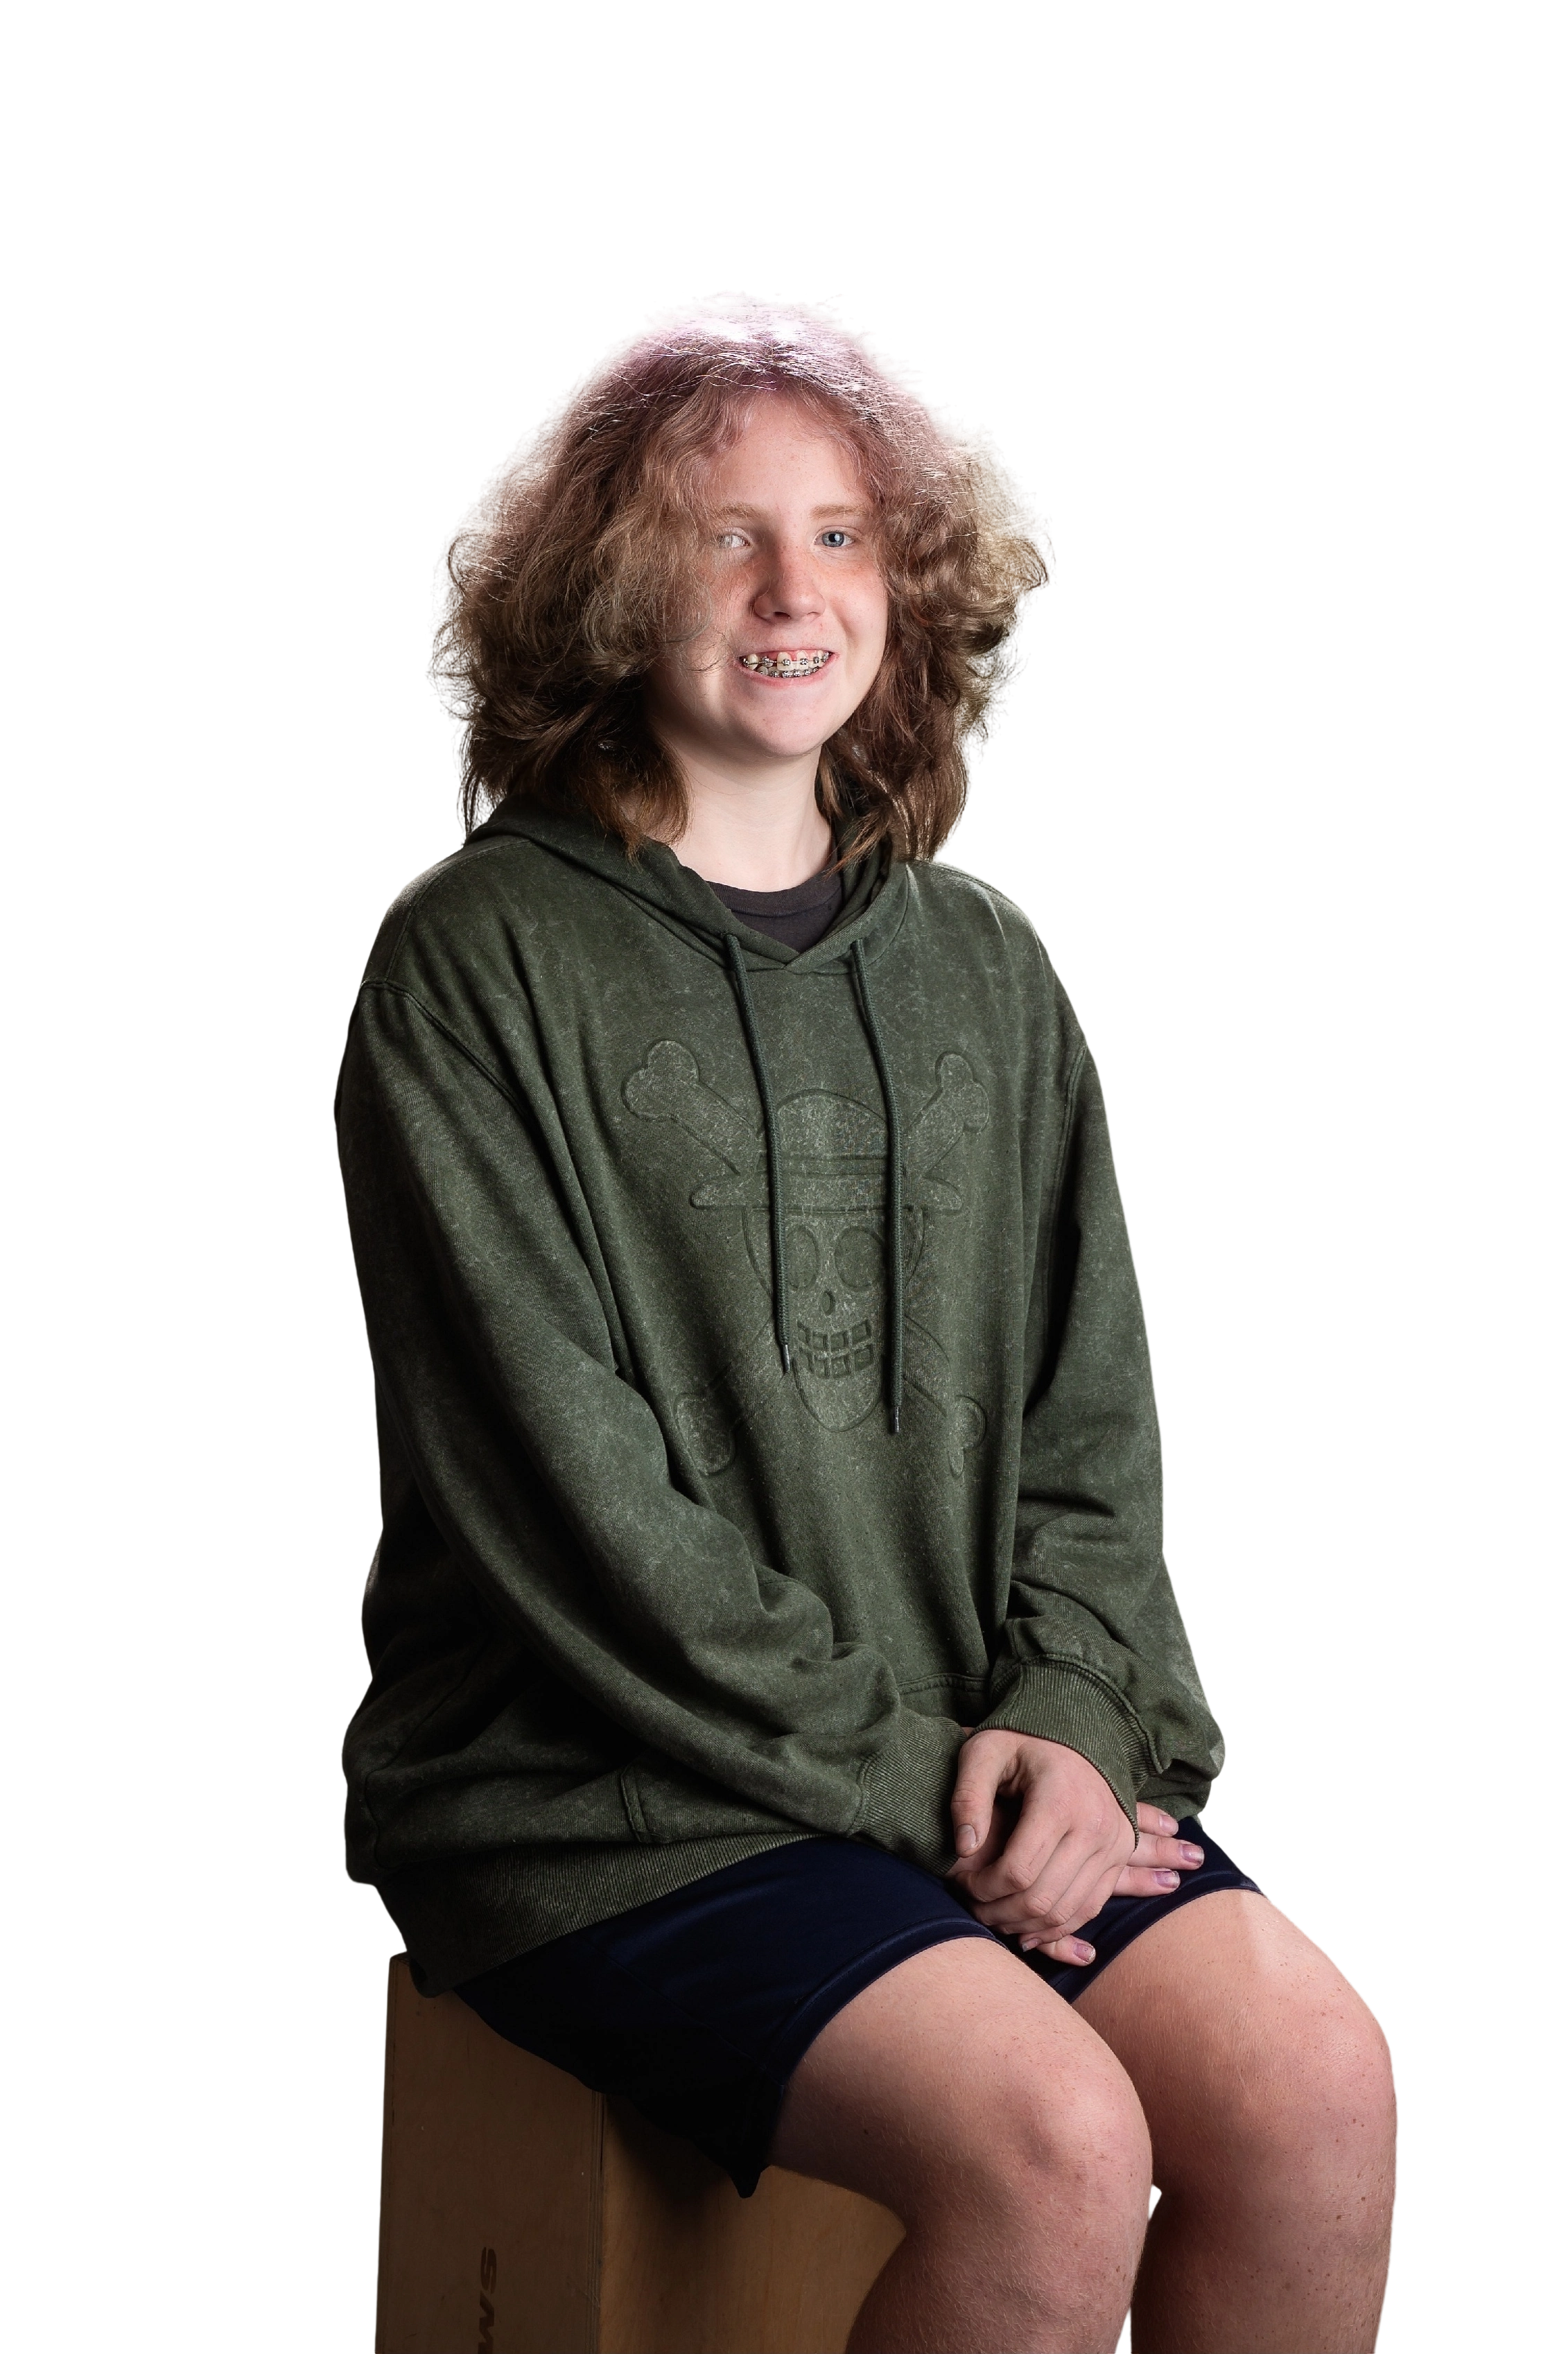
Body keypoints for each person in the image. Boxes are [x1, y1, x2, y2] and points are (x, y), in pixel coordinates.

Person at [333, 293, 1399, 2354]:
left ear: (909, 588)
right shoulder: (474, 963)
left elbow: (1091, 1432)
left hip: (980, 1761)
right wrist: (928, 1780)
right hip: (604, 1785)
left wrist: (1071, 1729)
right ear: (608, 585)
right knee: (1053, 2145)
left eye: (838, 535)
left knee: (1311, 2088)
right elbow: (572, 1508)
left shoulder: (988, 967)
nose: (790, 588)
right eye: (722, 534)